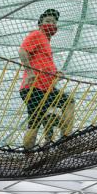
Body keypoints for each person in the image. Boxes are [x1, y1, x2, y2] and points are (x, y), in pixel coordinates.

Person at [18, 8, 75, 150]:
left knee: (67, 102)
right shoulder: (37, 34)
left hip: (46, 89)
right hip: (34, 88)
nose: (52, 24)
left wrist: (56, 74)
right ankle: (28, 151)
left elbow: (42, 64)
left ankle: (65, 138)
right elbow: (22, 51)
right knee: (35, 121)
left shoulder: (46, 43)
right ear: (40, 24)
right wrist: (30, 72)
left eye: (54, 22)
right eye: (48, 21)